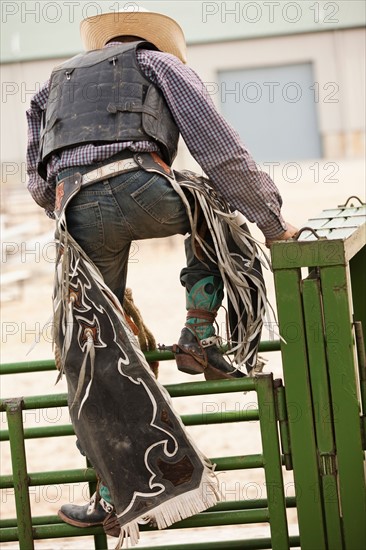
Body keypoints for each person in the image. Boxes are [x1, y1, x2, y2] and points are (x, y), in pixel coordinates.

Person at [26, 6, 298, 541]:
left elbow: (38, 182)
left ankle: (111, 490)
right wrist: (273, 222)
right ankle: (199, 333)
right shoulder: (161, 65)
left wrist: (81, 209)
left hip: (74, 209)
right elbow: (219, 150)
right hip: (143, 185)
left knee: (93, 343)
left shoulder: (48, 85)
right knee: (219, 214)